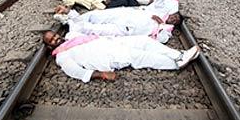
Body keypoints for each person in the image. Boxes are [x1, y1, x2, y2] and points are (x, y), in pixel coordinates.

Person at [43, 31, 201, 82]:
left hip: (113, 42)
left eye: (55, 36)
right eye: (52, 40)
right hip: (109, 55)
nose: (56, 39)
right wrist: (101, 75)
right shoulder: (61, 56)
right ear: (50, 46)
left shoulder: (71, 38)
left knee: (144, 40)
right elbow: (74, 71)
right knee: (142, 57)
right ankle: (176, 64)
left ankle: (179, 55)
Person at [53, 6, 182, 43]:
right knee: (96, 15)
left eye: (176, 21)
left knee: (96, 29)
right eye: (175, 16)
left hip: (126, 29)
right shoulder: (161, 11)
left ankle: (69, 20)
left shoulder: (167, 30)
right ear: (172, 13)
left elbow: (161, 40)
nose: (173, 19)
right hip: (125, 14)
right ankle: (69, 13)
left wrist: (161, 25)